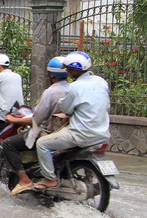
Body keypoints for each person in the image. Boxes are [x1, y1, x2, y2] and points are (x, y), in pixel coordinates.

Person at [34, 51, 111, 190]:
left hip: (81, 134)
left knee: (42, 144)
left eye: (69, 68)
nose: (68, 72)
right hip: (102, 134)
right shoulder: (101, 82)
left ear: (75, 70)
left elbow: (66, 109)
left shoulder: (75, 87)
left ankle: (49, 179)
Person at [1, 57, 70, 196]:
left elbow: (37, 119)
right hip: (66, 132)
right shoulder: (72, 89)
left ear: (51, 74)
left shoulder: (51, 92)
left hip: (47, 133)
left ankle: (24, 180)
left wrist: (15, 120)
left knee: (8, 144)